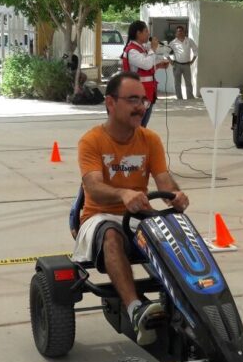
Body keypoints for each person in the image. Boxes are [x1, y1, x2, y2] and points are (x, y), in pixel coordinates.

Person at [73, 72, 189, 345]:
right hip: (98, 216)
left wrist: (176, 195)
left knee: (179, 234)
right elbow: (92, 187)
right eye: (132, 99)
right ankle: (135, 310)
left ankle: (188, 306)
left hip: (138, 215)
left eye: (143, 100)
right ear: (110, 103)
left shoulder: (150, 139)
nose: (140, 106)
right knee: (112, 234)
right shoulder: (91, 141)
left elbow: (164, 180)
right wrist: (123, 192)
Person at [121, 21, 170, 127]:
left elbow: (145, 71)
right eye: (146, 31)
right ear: (138, 33)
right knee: (137, 126)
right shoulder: (132, 51)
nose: (149, 34)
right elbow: (146, 65)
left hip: (147, 93)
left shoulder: (141, 48)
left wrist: (159, 65)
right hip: (137, 95)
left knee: (142, 127)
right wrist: (152, 49)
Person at [169, 25, 197, 100]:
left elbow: (195, 50)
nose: (180, 33)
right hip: (177, 65)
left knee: (188, 82)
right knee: (177, 83)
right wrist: (170, 61)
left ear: (184, 32)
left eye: (181, 31)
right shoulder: (173, 42)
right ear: (176, 33)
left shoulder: (189, 40)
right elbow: (165, 51)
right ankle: (179, 98)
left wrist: (193, 60)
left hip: (187, 64)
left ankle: (190, 98)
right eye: (178, 32)